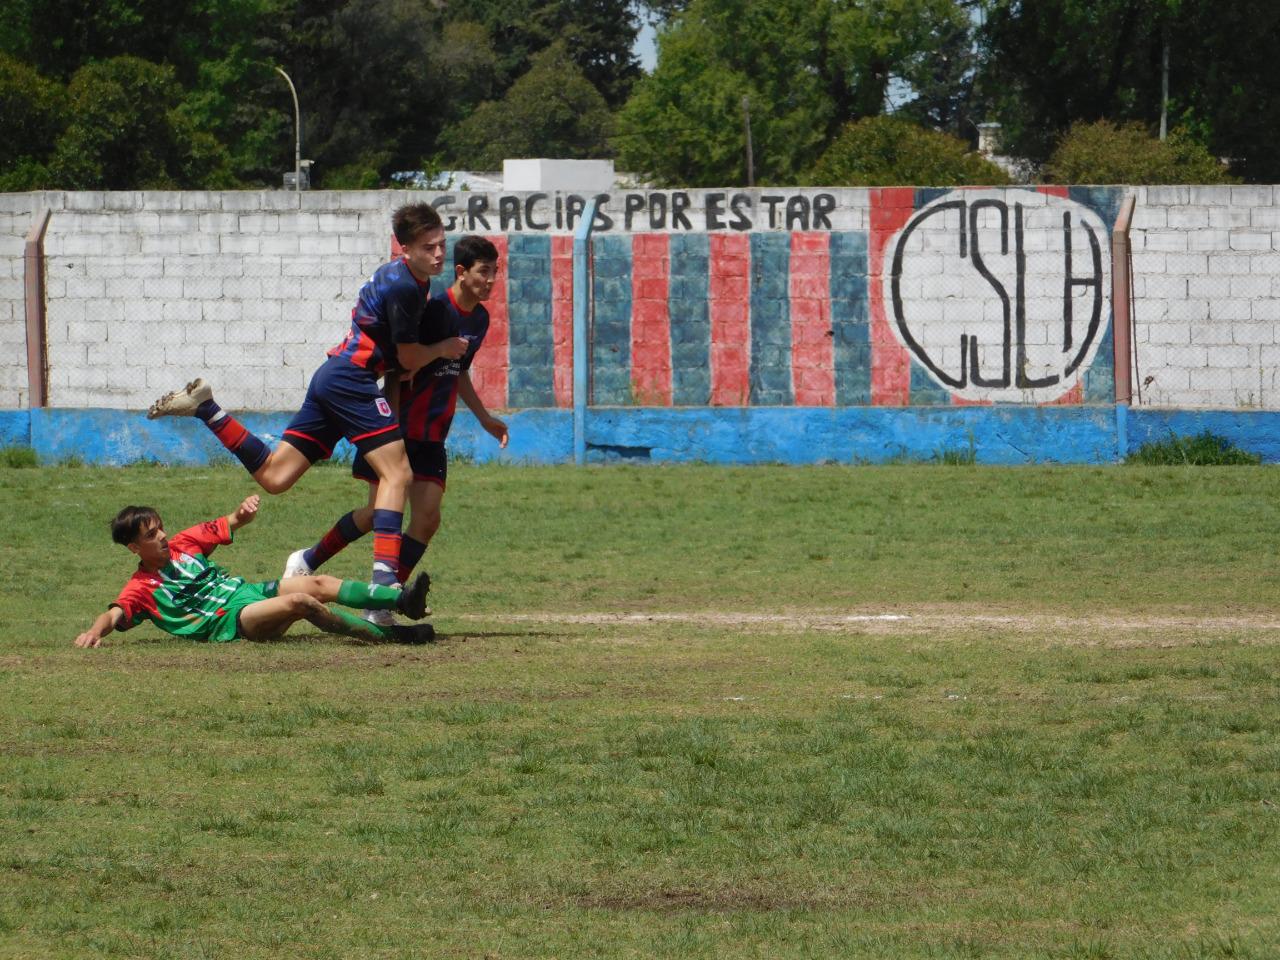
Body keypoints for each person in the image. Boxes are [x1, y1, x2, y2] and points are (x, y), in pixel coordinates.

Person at [146, 203, 469, 592]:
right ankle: (384, 590)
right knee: (397, 474)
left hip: (332, 378)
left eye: (441, 244)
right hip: (352, 379)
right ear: (405, 248)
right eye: (428, 247)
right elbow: (408, 357)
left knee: (275, 477)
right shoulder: (405, 286)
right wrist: (443, 348)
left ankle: (206, 409)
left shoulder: (403, 276)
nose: (438, 254)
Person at [282, 236, 508, 624]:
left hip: (433, 433)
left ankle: (383, 600)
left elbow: (459, 372)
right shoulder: (435, 312)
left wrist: (484, 417)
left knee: (427, 519)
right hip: (399, 428)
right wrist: (392, 425)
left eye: (495, 272)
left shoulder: (480, 320)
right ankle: (308, 559)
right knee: (377, 513)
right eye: (483, 272)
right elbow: (399, 368)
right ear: (461, 272)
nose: (491, 280)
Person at [73, 495, 435, 648]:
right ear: (135, 548)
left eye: (161, 528)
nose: (163, 536)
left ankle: (402, 600)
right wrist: (93, 632)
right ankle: (391, 636)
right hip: (233, 620)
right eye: (152, 535)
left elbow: (230, 521)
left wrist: (243, 513)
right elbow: (114, 614)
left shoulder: (184, 543)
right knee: (300, 600)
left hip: (247, 593)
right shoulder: (142, 587)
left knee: (317, 582)